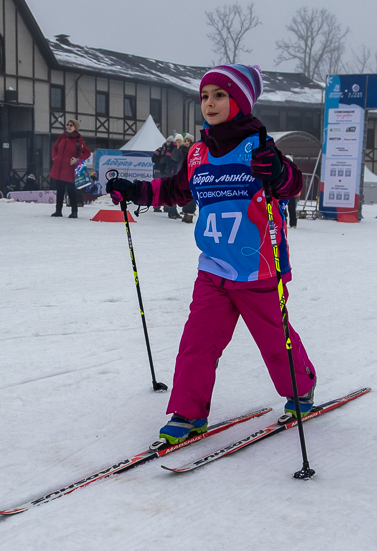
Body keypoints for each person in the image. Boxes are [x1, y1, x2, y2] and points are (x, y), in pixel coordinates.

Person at [106, 64, 316, 447]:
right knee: (197, 342)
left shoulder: (260, 147)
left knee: (274, 340)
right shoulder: (198, 153)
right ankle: (188, 412)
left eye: (219, 95)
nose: (210, 103)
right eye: (204, 97)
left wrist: (276, 173)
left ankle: (301, 390)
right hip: (214, 270)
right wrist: (134, 191)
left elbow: (292, 183)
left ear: (239, 101)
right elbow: (175, 190)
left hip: (259, 269)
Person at [49, 119, 90, 218]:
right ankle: (58, 211)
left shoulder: (78, 140)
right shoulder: (61, 137)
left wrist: (77, 159)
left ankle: (74, 212)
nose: (69, 126)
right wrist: (54, 157)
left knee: (72, 191)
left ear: (75, 127)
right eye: (68, 125)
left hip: (70, 170)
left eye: (71, 125)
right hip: (59, 169)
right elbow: (54, 148)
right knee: (60, 191)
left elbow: (87, 153)